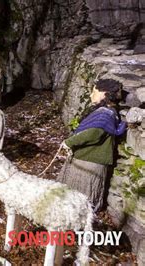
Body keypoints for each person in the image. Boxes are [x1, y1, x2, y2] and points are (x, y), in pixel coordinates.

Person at [58, 79, 127, 212]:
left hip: (89, 162)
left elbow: (94, 133)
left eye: (94, 92)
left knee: (79, 201)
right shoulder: (108, 112)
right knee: (74, 200)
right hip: (88, 159)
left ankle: (77, 221)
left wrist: (69, 142)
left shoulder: (105, 114)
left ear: (104, 94)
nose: (90, 95)